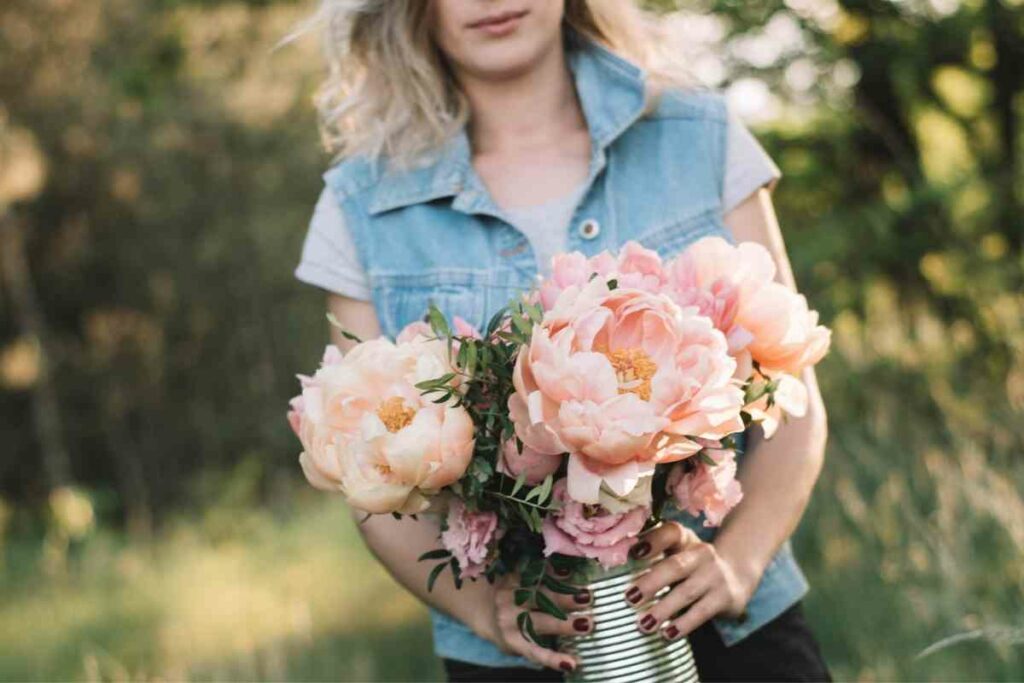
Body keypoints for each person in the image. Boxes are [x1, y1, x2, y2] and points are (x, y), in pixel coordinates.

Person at [293, 1, 831, 680]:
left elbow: (795, 399)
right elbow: (364, 472)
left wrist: (740, 560)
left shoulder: (699, 133)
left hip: (740, 637)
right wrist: (485, 609)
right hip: (519, 660)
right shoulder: (358, 206)